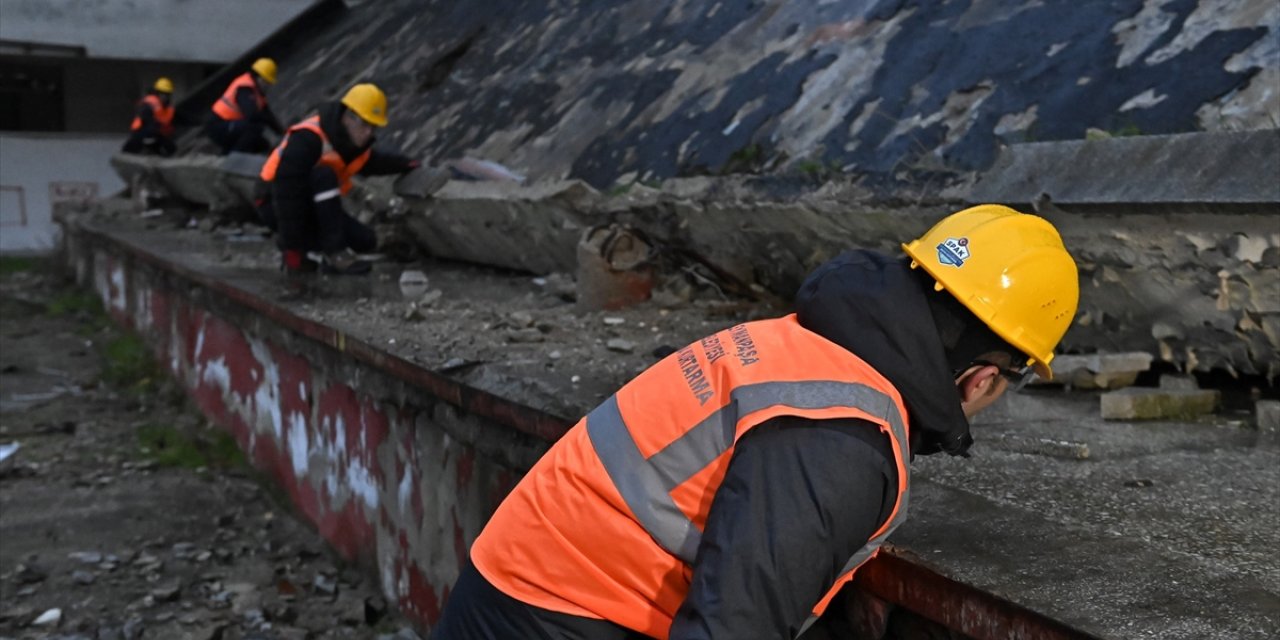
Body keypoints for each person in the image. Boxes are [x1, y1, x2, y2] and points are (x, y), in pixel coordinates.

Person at [430, 205, 1080, 639]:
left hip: (526, 595)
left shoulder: (807, 347)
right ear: (984, 376)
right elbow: (732, 627)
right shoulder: (840, 438)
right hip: (556, 618)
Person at [257, 83, 420, 275]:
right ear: (347, 116)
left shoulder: (348, 141)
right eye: (364, 124)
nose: (369, 133)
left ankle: (322, 252)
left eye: (373, 127)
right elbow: (286, 197)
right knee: (324, 175)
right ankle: (334, 254)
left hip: (308, 204)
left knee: (365, 240)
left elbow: (373, 161)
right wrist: (292, 249)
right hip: (273, 201)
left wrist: (408, 164)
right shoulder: (307, 139)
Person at [204, 57, 284, 155]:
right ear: (260, 78)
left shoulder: (256, 93)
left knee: (262, 145)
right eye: (267, 82)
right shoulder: (245, 88)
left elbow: (268, 116)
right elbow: (252, 115)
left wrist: (284, 133)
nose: (268, 86)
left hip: (230, 126)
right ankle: (234, 160)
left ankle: (227, 154)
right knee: (254, 128)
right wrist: (265, 119)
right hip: (218, 126)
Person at [122, 77, 177, 156]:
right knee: (147, 136)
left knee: (171, 147)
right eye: (162, 93)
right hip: (141, 133)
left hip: (155, 134)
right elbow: (148, 121)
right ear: (157, 93)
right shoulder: (148, 105)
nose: (165, 97)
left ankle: (161, 155)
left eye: (167, 94)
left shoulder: (167, 108)